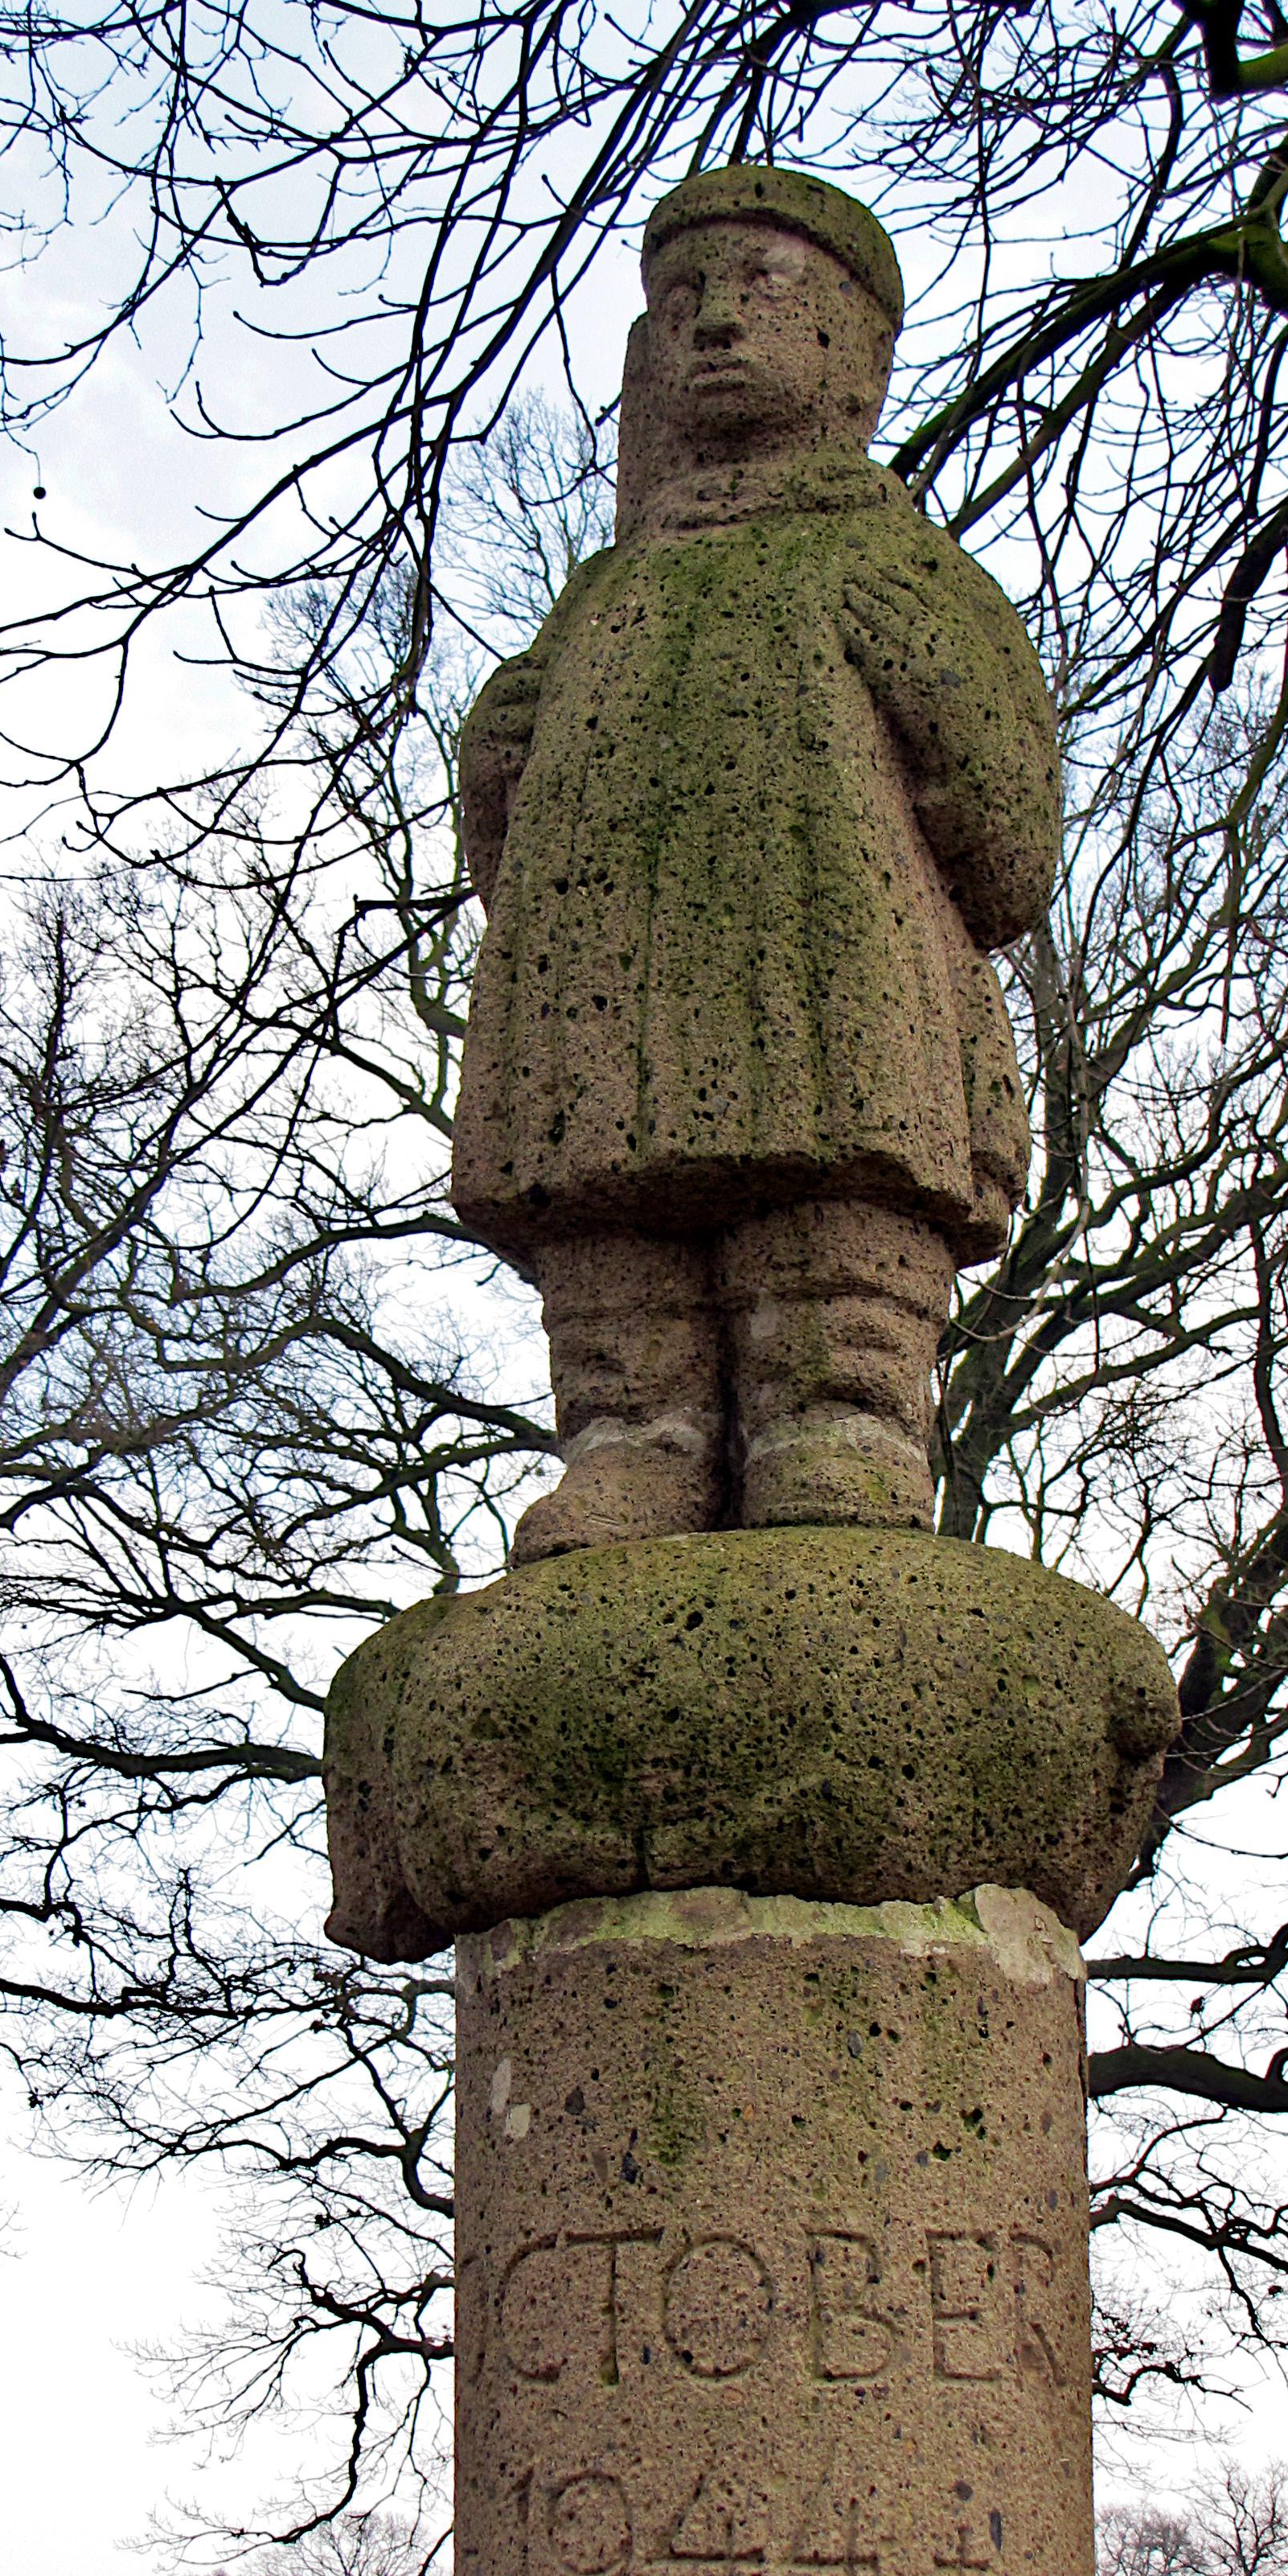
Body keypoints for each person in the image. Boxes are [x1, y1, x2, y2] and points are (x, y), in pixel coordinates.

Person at [454, 164, 1059, 1565]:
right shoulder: (604, 591)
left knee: (831, 1228)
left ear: (855, 346)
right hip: (608, 990)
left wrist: (924, 671)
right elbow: (510, 851)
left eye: (764, 288)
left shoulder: (897, 566)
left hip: (832, 979)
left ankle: (840, 1416)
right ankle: (631, 1437)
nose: (716, 322)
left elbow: (1007, 846)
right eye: (682, 300)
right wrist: (505, 750)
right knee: (606, 1226)